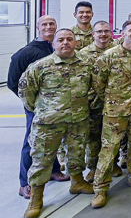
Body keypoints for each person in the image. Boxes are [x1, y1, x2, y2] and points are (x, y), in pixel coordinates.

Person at [19, 29, 96, 218]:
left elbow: (95, 88)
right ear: (53, 44)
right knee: (42, 160)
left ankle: (77, 183)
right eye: (60, 40)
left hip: (78, 120)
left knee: (77, 153)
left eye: (70, 39)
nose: (65, 43)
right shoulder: (40, 66)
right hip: (48, 124)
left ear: (76, 43)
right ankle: (36, 198)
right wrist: (42, 110)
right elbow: (26, 92)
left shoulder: (86, 65)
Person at [91, 20, 131, 209]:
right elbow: (98, 82)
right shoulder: (109, 55)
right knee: (109, 150)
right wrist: (113, 99)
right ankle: (100, 188)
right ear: (123, 32)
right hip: (115, 112)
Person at [7, 15, 69, 200]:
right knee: (31, 143)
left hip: (58, 106)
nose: (49, 27)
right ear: (37, 27)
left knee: (55, 139)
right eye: (45, 24)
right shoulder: (28, 52)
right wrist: (31, 103)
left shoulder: (57, 47)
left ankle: (54, 170)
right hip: (37, 107)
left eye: (52, 24)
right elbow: (13, 82)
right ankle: (24, 183)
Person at [79, 21, 120, 184]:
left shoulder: (117, 50)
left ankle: (113, 163)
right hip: (93, 101)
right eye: (99, 31)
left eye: (106, 31)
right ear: (93, 34)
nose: (103, 34)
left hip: (114, 101)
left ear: (110, 33)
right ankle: (93, 167)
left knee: (113, 135)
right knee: (94, 136)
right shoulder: (84, 53)